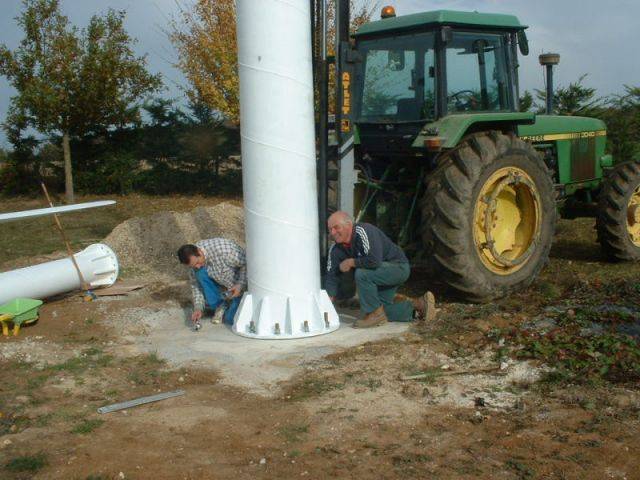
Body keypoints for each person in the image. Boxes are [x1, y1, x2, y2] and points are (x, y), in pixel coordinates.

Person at [325, 211, 435, 328]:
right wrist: (327, 303)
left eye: (336, 228)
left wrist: (351, 262)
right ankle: (418, 305)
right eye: (330, 229)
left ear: (349, 224)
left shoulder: (364, 231)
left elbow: (374, 261)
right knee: (377, 310)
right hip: (378, 274)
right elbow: (331, 275)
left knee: (362, 273)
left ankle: (375, 315)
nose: (333, 232)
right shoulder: (335, 249)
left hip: (397, 268)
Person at [177, 239, 247, 328]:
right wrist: (198, 308)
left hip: (242, 287)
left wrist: (240, 284)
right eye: (193, 266)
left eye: (197, 263)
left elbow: (247, 263)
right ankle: (221, 305)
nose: (197, 266)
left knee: (231, 320)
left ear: (199, 251)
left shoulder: (224, 250)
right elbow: (196, 286)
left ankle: (234, 303)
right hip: (225, 288)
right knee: (199, 273)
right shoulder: (194, 262)